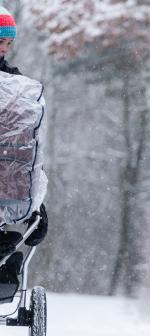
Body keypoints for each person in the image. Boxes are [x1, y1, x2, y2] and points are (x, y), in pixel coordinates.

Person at [0, 6, 48, 286]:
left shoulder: (16, 87)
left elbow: (27, 146)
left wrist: (37, 199)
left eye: (7, 44)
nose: (4, 50)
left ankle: (6, 266)